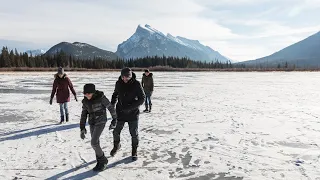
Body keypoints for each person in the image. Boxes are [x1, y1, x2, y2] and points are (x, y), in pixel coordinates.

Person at [80, 83, 117, 171]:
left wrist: (114, 119)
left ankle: (103, 160)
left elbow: (110, 107)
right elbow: (83, 115)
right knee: (96, 143)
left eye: (89, 93)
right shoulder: (85, 101)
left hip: (101, 121)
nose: (87, 95)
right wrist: (82, 127)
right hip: (92, 122)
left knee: (93, 143)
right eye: (85, 93)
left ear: (93, 92)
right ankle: (99, 163)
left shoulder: (101, 98)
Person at [110, 67, 145, 161]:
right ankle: (117, 146)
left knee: (134, 133)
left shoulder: (136, 84)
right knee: (116, 131)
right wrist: (112, 105)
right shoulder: (118, 83)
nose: (125, 79)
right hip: (120, 112)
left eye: (127, 77)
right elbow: (115, 94)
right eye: (123, 77)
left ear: (130, 76)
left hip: (133, 113)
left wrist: (130, 108)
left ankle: (134, 150)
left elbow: (142, 98)